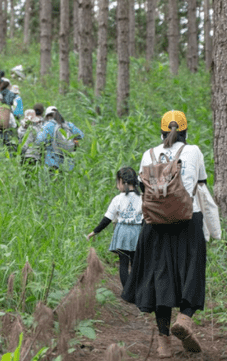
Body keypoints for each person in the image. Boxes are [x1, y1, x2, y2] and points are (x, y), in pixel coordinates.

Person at [121, 110, 208, 358]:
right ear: (185, 131)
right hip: (188, 219)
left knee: (160, 278)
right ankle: (184, 318)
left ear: (161, 132)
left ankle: (163, 343)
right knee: (192, 270)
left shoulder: (148, 154)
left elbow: (143, 189)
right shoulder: (194, 151)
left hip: (155, 224)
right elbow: (200, 184)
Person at [86, 167, 143, 288]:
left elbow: (107, 219)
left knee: (123, 263)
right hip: (137, 233)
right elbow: (146, 219)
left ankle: (127, 291)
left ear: (123, 182)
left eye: (118, 182)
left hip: (122, 233)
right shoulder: (142, 198)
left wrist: (94, 232)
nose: (117, 186)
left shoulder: (118, 199)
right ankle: (135, 290)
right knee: (135, 263)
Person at [36, 107, 83, 171]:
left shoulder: (47, 126)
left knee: (51, 179)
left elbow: (39, 141)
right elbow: (81, 135)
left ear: (47, 116)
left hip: (52, 161)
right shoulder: (68, 124)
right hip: (68, 162)